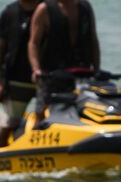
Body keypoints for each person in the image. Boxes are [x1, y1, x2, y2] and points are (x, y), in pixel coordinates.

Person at [28, 0, 101, 128]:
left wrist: (97, 68)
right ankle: (37, 134)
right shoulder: (45, 9)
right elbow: (33, 43)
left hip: (81, 71)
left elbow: (93, 38)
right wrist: (36, 69)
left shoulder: (85, 7)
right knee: (42, 110)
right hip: (51, 73)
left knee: (84, 108)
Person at [0, 0, 41, 148]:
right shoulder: (10, 12)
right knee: (7, 124)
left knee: (47, 122)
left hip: (44, 79)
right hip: (16, 79)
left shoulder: (47, 9)